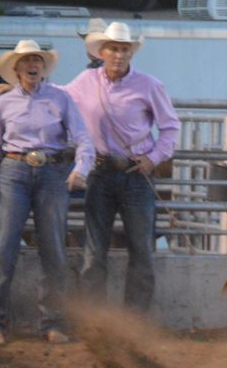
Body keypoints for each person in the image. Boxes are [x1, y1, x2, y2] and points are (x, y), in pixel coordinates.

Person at [0, 40, 94, 345]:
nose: (32, 65)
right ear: (17, 69)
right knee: (3, 246)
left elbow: (82, 138)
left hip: (52, 171)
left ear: (42, 67)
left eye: (36, 60)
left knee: (53, 248)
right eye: (26, 61)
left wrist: (81, 169)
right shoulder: (5, 103)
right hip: (15, 170)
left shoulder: (61, 98)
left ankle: (52, 322)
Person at [63, 22, 180, 311]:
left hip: (135, 173)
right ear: (102, 52)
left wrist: (153, 158)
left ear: (131, 52)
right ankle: (96, 319)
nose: (118, 54)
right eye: (114, 48)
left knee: (141, 250)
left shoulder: (149, 85)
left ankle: (133, 320)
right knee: (94, 251)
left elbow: (170, 127)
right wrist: (22, 88)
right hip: (101, 172)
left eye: (124, 49)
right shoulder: (85, 81)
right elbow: (59, 95)